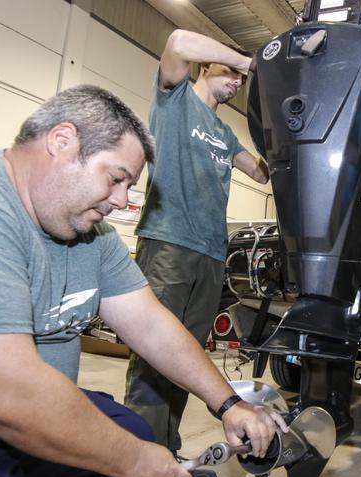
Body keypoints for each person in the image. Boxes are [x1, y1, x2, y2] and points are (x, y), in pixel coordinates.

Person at [0, 85, 285, 477]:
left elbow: (150, 325)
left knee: (134, 429)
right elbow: (1, 392)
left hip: (23, 432)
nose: (123, 201)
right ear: (61, 141)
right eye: (116, 179)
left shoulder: (93, 236)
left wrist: (228, 404)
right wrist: (130, 460)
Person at [125, 29, 269, 455]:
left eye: (241, 81)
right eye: (231, 72)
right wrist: (248, 62)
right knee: (154, 359)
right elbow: (177, 40)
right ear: (208, 66)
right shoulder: (175, 98)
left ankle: (166, 455)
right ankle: (141, 458)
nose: (238, 83)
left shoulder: (224, 133)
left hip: (210, 255)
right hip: (168, 242)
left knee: (185, 359)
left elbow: (261, 174)